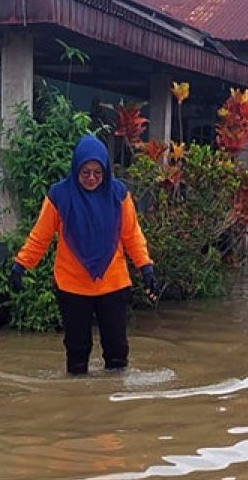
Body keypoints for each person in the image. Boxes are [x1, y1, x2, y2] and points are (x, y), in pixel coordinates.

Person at [9, 134, 159, 375]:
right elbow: (41, 236)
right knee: (77, 352)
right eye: (85, 172)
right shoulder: (60, 195)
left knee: (117, 351)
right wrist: (21, 265)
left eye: (97, 173)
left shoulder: (118, 194)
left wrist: (146, 267)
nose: (91, 178)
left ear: (106, 171)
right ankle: (77, 402)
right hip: (72, 285)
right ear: (76, 168)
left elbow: (132, 235)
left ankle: (114, 404)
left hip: (114, 283)